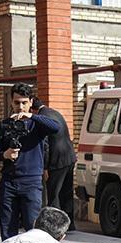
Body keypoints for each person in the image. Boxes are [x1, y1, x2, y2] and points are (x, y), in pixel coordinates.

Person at [0, 83, 61, 240]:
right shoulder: (4, 125)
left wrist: (32, 116)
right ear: (11, 102)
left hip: (32, 183)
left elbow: (56, 127)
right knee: (8, 230)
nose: (20, 107)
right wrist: (5, 155)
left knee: (33, 229)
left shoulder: (37, 125)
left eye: (24, 103)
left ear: (31, 102)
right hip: (9, 182)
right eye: (16, 103)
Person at [34, 96, 77, 230]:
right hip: (69, 156)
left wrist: (45, 167)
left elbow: (45, 145)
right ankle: (70, 225)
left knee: (54, 194)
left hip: (56, 160)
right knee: (67, 191)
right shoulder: (54, 112)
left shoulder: (42, 118)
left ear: (33, 109)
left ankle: (55, 227)